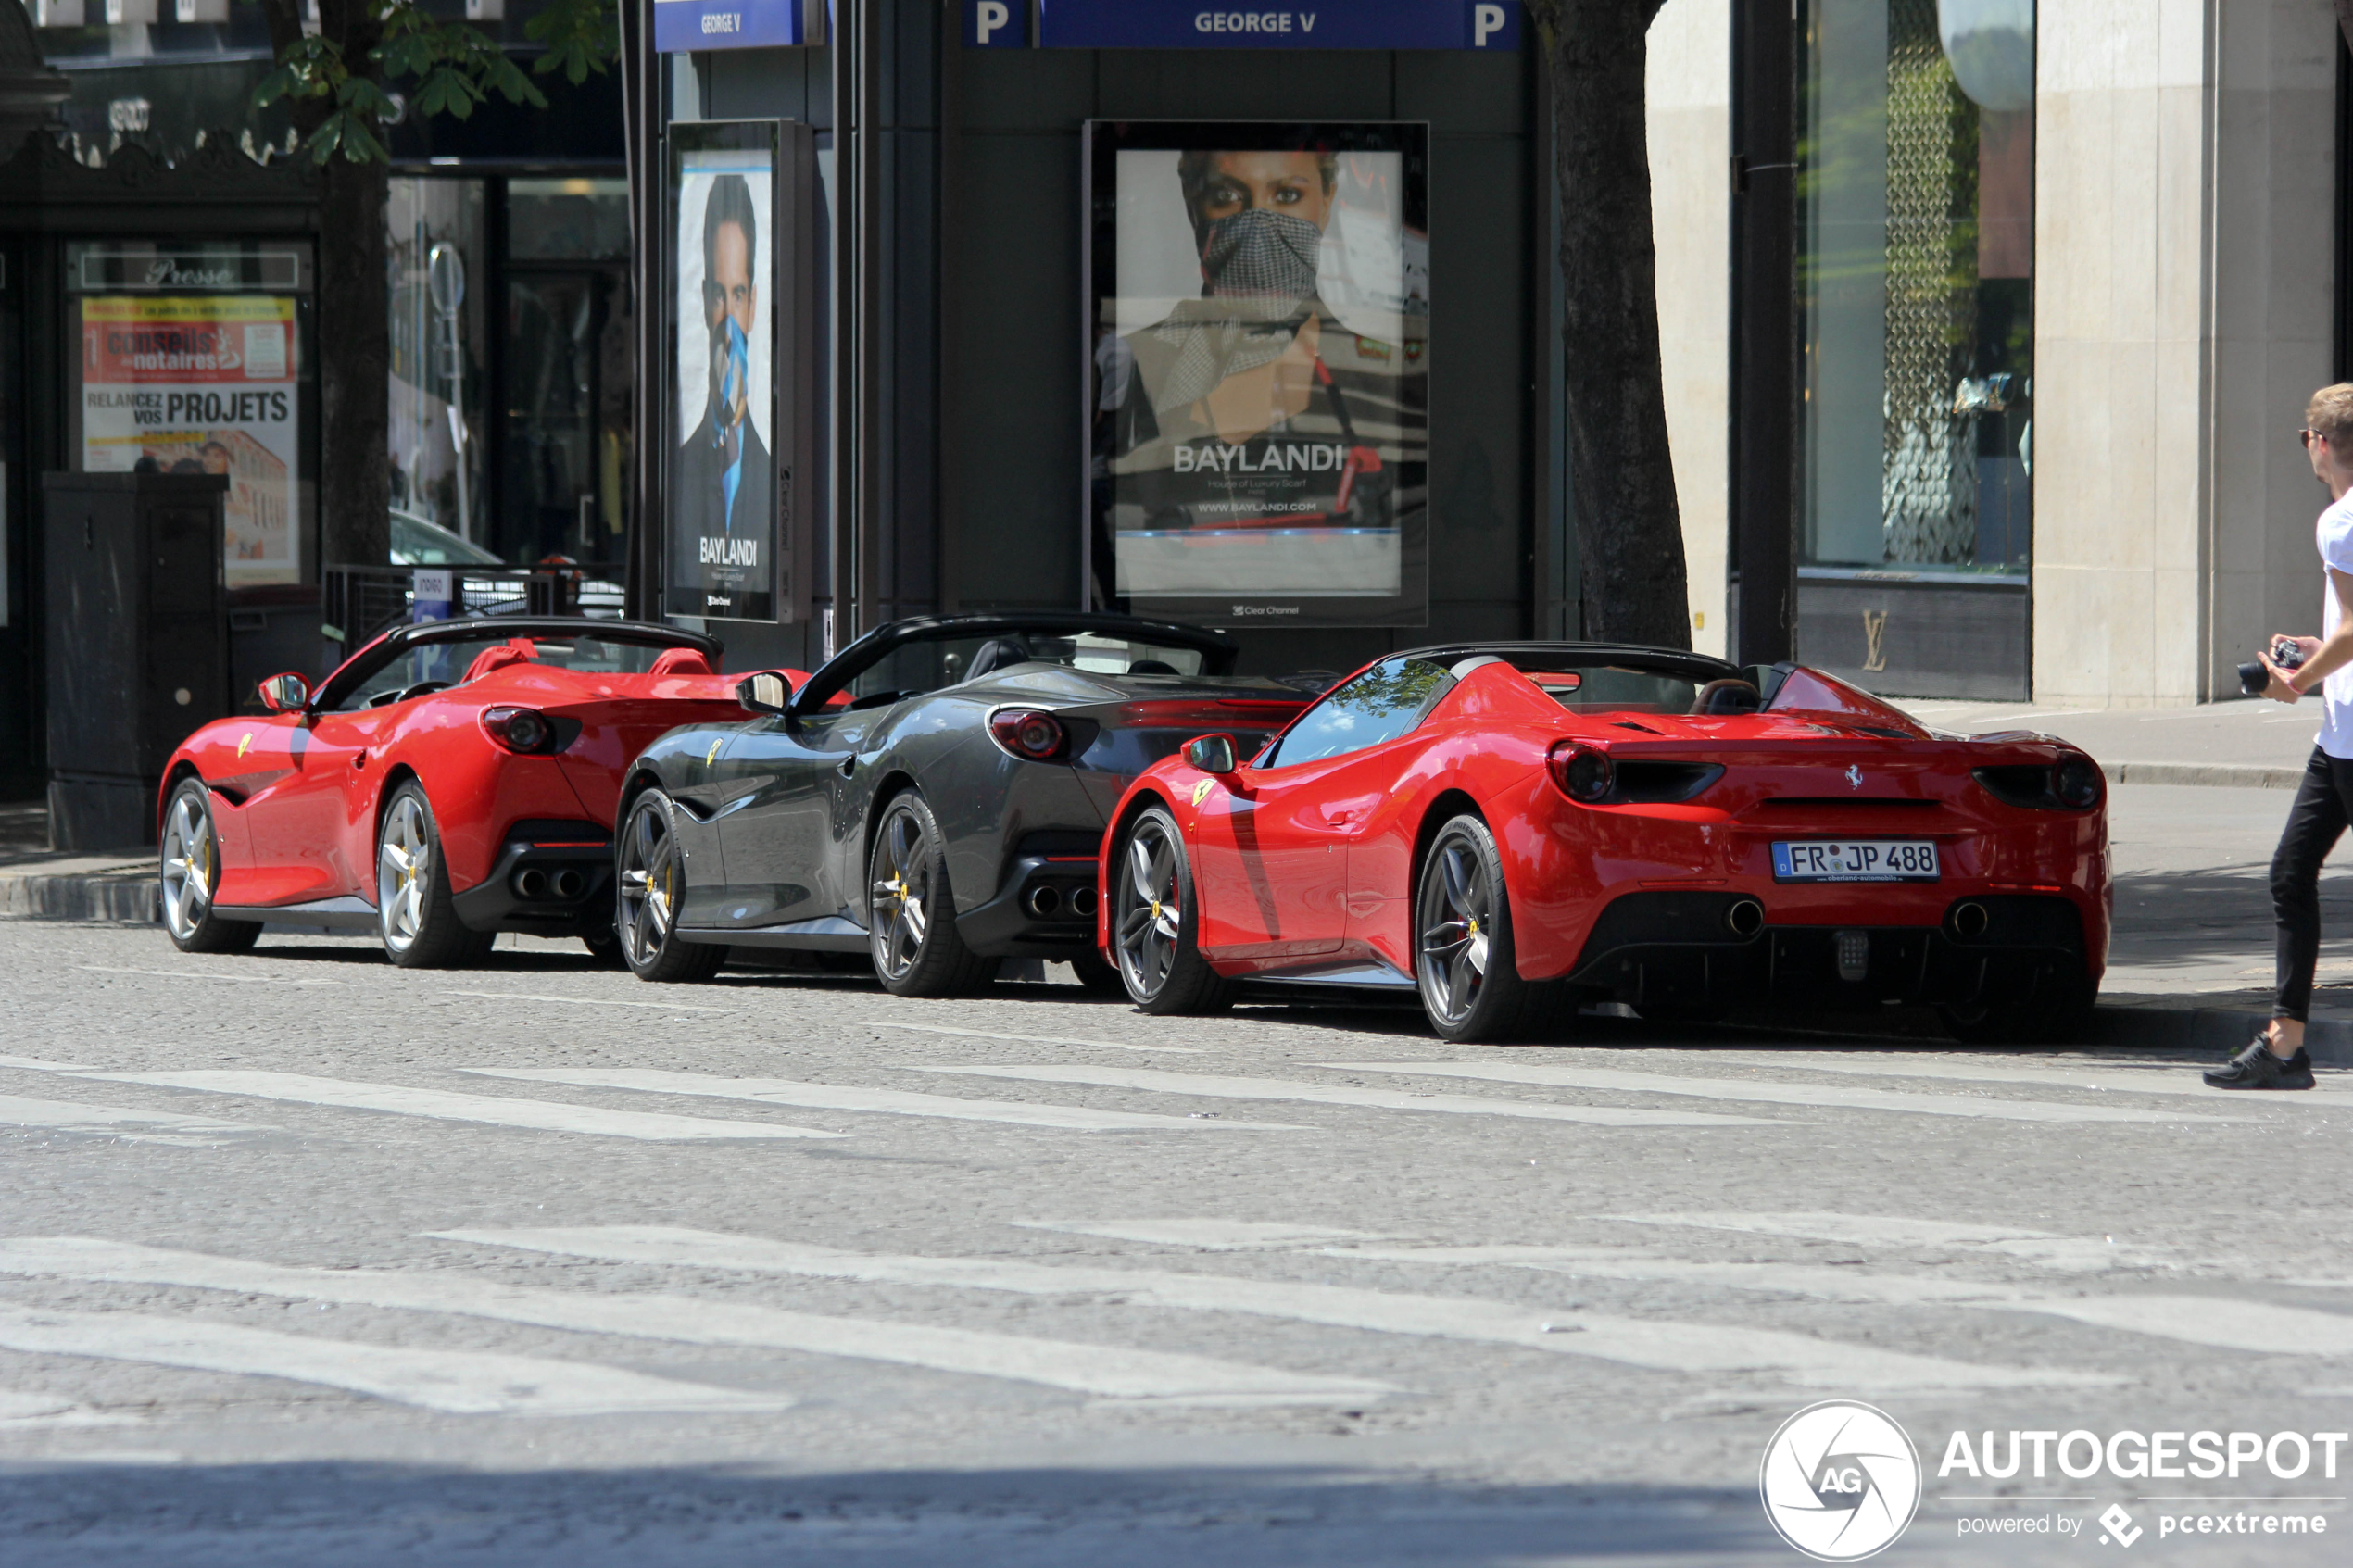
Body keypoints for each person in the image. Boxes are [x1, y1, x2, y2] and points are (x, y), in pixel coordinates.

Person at [2210, 383, 2353, 1088]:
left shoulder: (2340, 523)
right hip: (2340, 737)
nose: (2306, 448)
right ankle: (2285, 1042)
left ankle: (2286, 1042)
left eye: (2306, 437)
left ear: (2323, 444)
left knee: (2291, 875)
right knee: (2289, 872)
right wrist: (2314, 646)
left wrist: (2291, 681)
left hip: (2350, 736)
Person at [673, 173, 771, 547]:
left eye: (738, 294)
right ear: (702, 299)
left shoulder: (772, 465)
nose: (729, 325)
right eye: (719, 296)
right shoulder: (680, 467)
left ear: (753, 304)